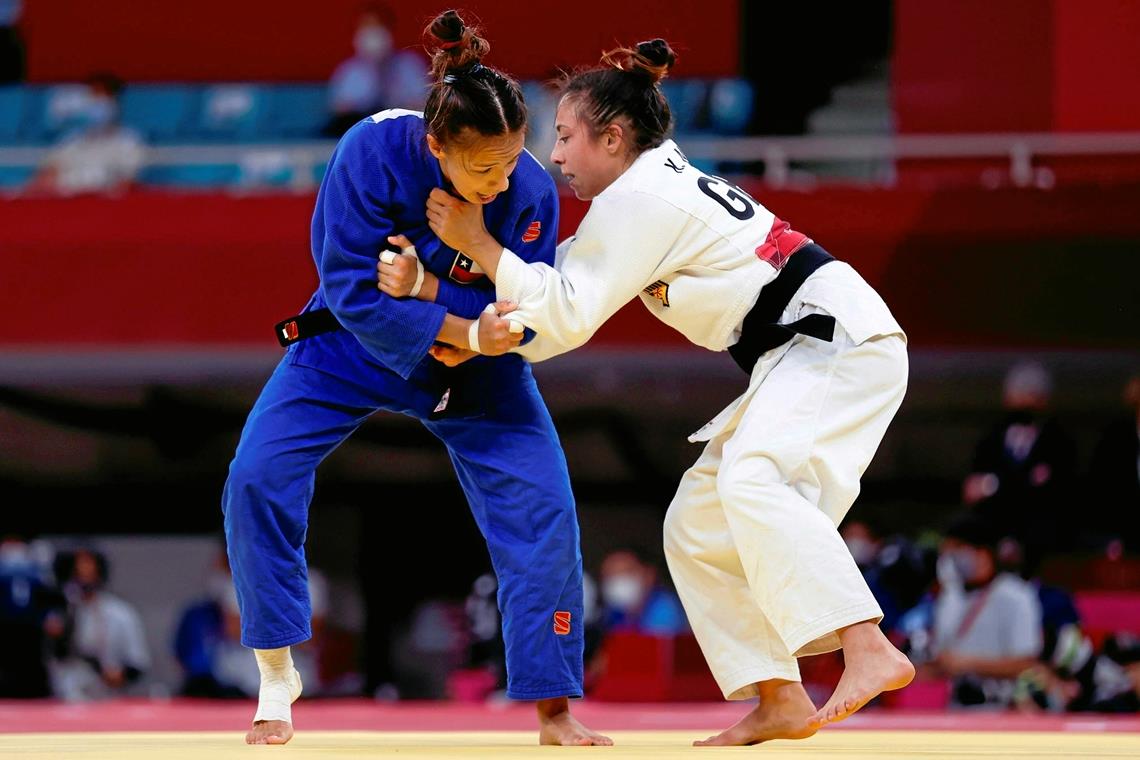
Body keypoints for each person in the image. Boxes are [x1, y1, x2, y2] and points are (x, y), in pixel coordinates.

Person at [384, 38, 913, 745]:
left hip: (833, 340)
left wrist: (481, 247)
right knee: (694, 526)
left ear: (613, 135)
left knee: (755, 479)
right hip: (800, 352)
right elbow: (554, 300)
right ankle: (778, 693)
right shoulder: (635, 202)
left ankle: (866, 643)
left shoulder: (642, 197)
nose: (558, 155)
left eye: (567, 137)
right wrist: (443, 297)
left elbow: (562, 315)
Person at [222, 10, 609, 747]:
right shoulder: (369, 150)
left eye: (510, 161)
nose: (499, 182)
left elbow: (516, 312)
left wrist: (443, 282)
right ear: (436, 146)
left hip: (482, 376)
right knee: (255, 476)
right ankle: (275, 670)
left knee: (545, 514)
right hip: (349, 346)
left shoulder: (527, 193)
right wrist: (461, 326)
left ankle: (554, 705)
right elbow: (350, 289)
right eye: (480, 168)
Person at [928, 515, 1043, 708]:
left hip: (1002, 707)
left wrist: (967, 663)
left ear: (982, 553)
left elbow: (1025, 663)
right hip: (956, 706)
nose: (951, 559)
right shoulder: (951, 597)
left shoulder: (1016, 595)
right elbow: (941, 657)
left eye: (957, 550)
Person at [29, 73, 145, 196]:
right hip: (65, 203)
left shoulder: (129, 140)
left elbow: (127, 183)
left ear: (114, 101)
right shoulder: (72, 139)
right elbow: (45, 176)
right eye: (90, 96)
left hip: (103, 204)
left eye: (99, 95)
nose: (93, 101)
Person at [323, 4, 429, 137]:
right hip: (361, 137)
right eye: (367, 27)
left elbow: (423, 107)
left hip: (402, 134)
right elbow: (339, 112)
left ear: (389, 31)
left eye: (378, 27)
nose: (372, 34)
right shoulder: (349, 71)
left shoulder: (410, 65)